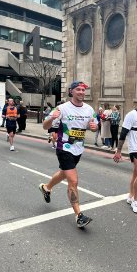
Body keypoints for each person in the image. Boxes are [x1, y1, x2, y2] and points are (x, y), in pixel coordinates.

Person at [38, 79, 98, 228]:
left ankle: (46, 187)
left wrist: (94, 127)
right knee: (73, 180)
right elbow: (45, 126)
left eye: (83, 90)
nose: (82, 92)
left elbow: (95, 126)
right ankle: (79, 215)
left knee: (64, 173)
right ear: (71, 91)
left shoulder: (89, 109)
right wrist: (52, 117)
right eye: (78, 89)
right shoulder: (62, 108)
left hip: (78, 149)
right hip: (64, 148)